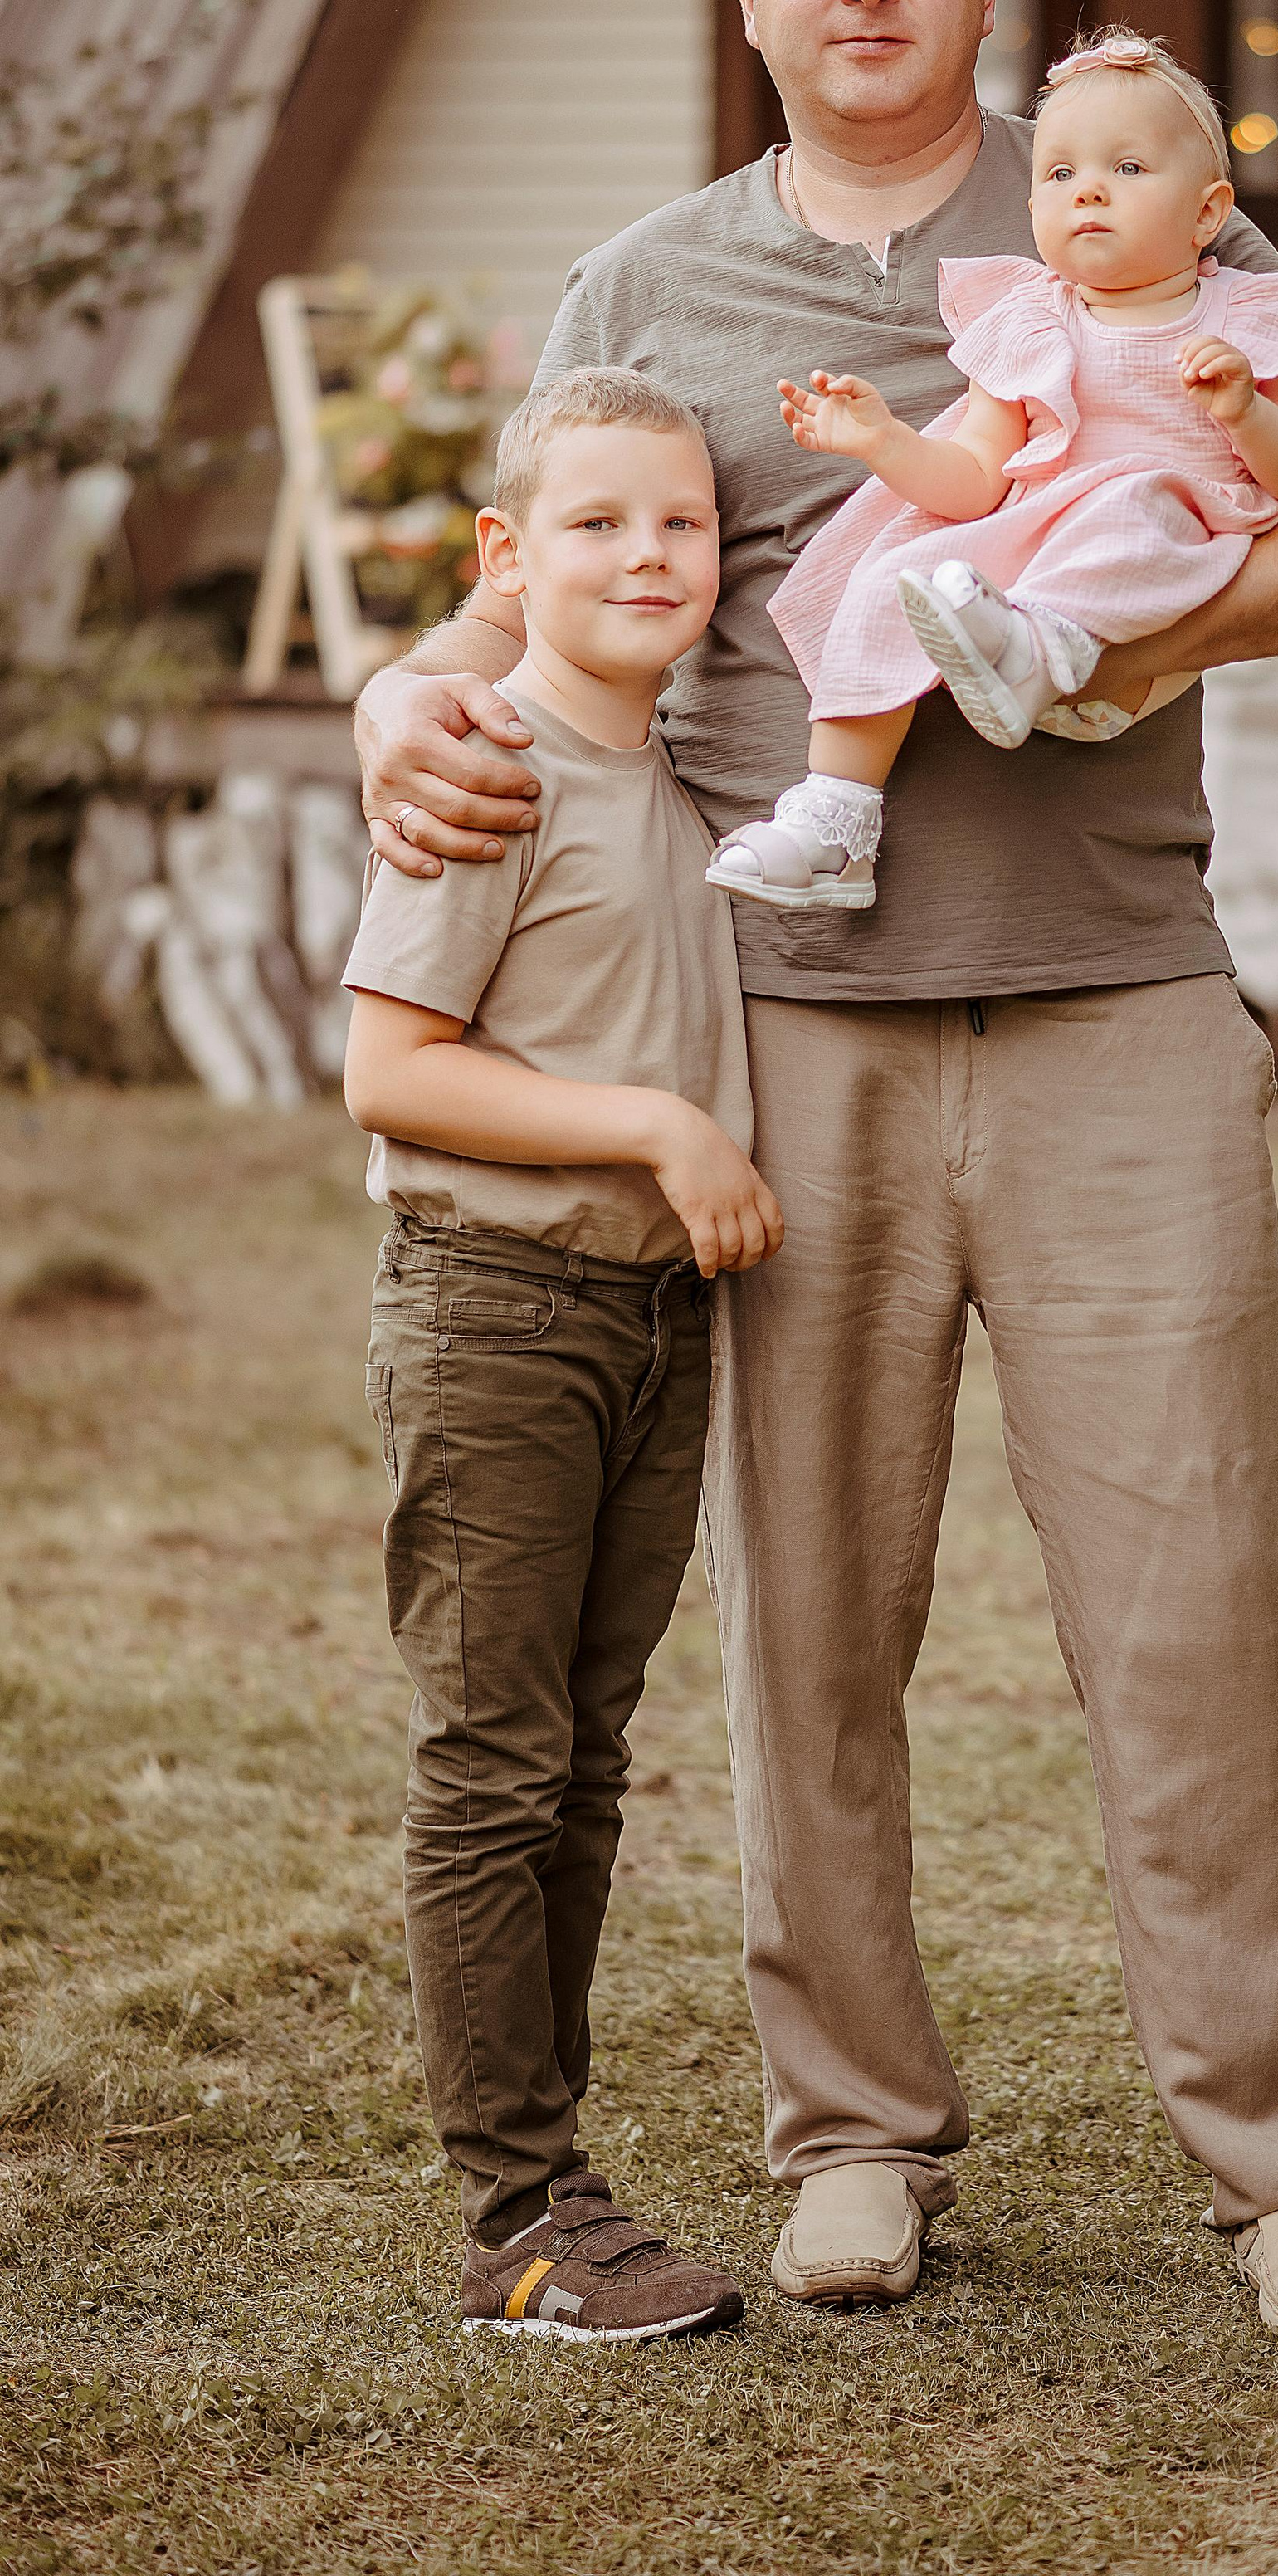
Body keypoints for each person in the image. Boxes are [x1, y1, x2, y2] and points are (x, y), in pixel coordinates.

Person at [355, 0, 1278, 2342]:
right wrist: (405, 698)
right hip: (782, 1039)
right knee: (814, 1618)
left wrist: (1132, 651)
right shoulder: (646, 284)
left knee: (1196, 1594)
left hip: (1117, 998)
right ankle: (853, 2132)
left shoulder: (1122, 209)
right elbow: (518, 598)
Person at [342, 366, 782, 2342]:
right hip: (498, 1313)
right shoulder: (485, 764)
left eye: (681, 522)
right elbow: (393, 1067)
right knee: (494, 1761)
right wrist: (660, 1130)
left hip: (649, 1325)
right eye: (596, 522)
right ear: (504, 558)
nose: (648, 554)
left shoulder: (672, 789)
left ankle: (558, 2187)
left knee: (582, 1764)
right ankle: (514, 2217)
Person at [706, 28, 1278, 912]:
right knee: (890, 572)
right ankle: (835, 823)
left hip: (1148, 579)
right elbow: (976, 481)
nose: (1088, 190)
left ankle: (1039, 645)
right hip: (1024, 550)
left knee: (1126, 497)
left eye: (1127, 168)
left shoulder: (1244, 316)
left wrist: (1247, 412)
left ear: (1207, 215)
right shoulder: (1027, 318)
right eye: (1060, 173)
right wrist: (885, 443)